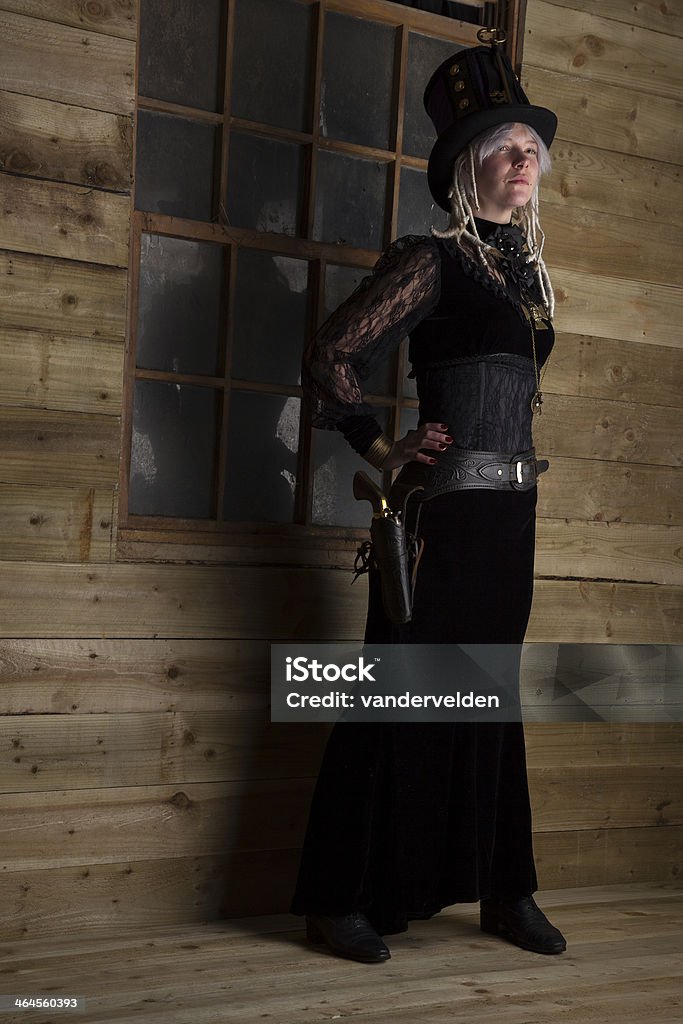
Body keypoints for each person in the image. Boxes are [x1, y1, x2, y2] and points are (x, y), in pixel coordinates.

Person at [291, 33, 567, 963]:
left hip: (509, 518)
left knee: (491, 697)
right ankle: (338, 899)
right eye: (504, 145)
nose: (522, 156)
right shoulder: (433, 259)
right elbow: (332, 355)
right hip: (439, 519)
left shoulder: (526, 276)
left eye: (531, 143)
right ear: (466, 167)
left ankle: (502, 887)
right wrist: (379, 446)